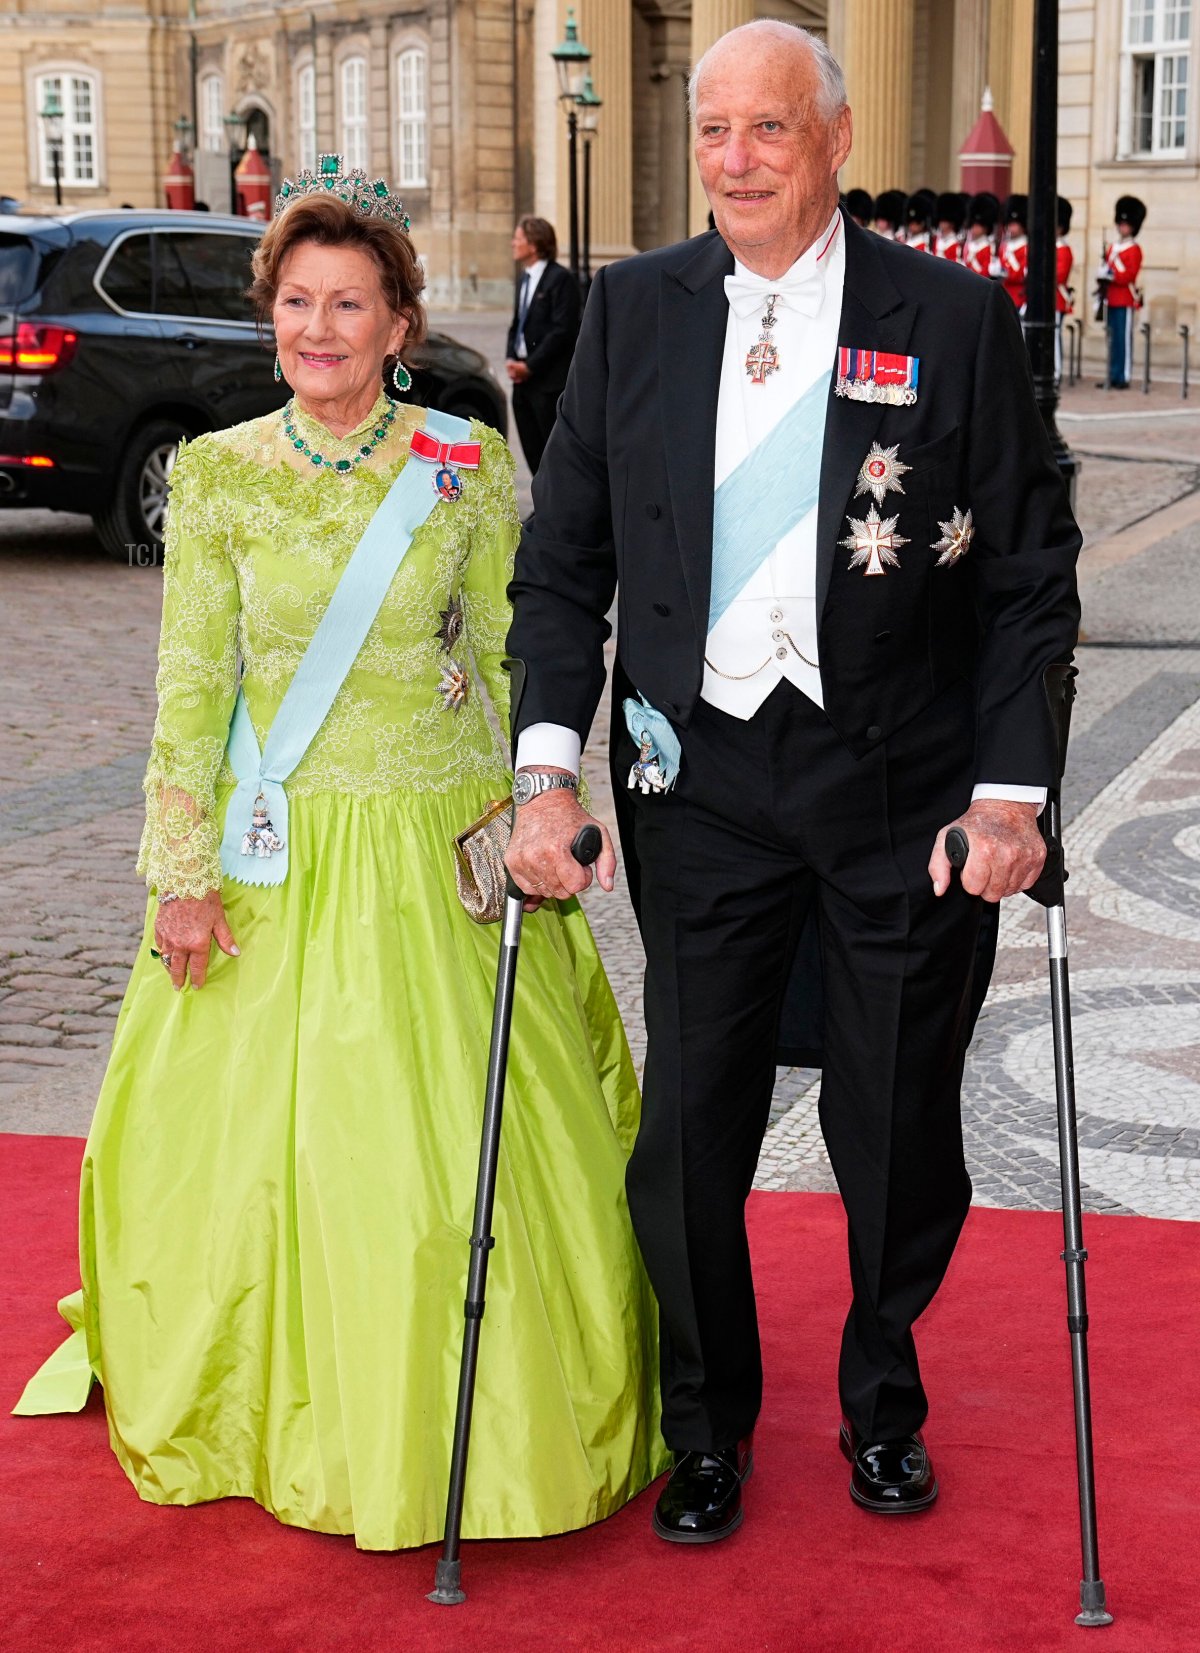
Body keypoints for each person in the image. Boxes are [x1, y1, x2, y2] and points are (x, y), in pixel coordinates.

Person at [15, 162, 667, 1549]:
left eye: (349, 304)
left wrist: (544, 801)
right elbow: (191, 689)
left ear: (397, 324)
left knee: (448, 1174)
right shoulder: (215, 478)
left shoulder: (465, 466)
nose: (320, 328)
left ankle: (469, 1411)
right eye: (297, 303)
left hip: (436, 851)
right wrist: (177, 871)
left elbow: (518, 652)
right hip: (274, 859)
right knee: (258, 1159)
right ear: (273, 321)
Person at [504, 19, 1080, 1544]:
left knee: (894, 1123)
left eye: (768, 130)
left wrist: (1014, 790)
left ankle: (882, 1394)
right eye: (714, 133)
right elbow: (561, 568)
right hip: (698, 782)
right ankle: (709, 1427)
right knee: (689, 1120)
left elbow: (1029, 569)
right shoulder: (629, 315)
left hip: (897, 780)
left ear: (832, 143)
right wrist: (544, 773)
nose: (737, 161)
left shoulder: (948, 320)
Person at [504, 215, 582, 474]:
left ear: (534, 244)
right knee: (532, 450)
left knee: (552, 452)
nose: (513, 243)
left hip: (547, 383)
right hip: (523, 383)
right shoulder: (524, 278)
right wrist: (511, 358)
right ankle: (541, 508)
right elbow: (517, 323)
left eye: (518, 238)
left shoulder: (560, 279)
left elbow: (563, 331)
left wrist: (530, 365)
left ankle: (554, 509)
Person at [1097, 195, 1145, 390]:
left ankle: (1123, 375)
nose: (1123, 228)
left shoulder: (1134, 249)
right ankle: (1112, 374)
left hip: (1125, 298)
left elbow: (1129, 276)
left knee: (1123, 340)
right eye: (1121, 224)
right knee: (1111, 339)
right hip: (1110, 298)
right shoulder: (1112, 248)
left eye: (1127, 225)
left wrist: (1112, 273)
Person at [1056, 195, 1074, 384]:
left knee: (1054, 338)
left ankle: (1056, 372)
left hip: (1057, 298)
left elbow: (1059, 276)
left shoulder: (1063, 250)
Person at [1000, 194, 1028, 311]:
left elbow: (1022, 274)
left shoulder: (1026, 247)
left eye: (1014, 224)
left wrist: (1007, 273)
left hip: (1020, 296)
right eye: (1009, 224)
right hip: (1004, 294)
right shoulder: (1004, 246)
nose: (1011, 228)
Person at [962, 192, 1000, 278]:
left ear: (986, 227)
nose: (974, 229)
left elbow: (985, 272)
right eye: (973, 225)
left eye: (978, 225)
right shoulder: (969, 245)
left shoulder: (987, 247)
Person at [903, 189, 937, 254]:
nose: (913, 226)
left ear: (923, 223)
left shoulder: (928, 244)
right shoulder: (906, 241)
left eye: (917, 222)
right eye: (910, 222)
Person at [934, 191, 966, 262]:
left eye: (945, 221)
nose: (941, 224)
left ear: (952, 223)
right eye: (941, 220)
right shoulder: (935, 241)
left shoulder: (956, 243)